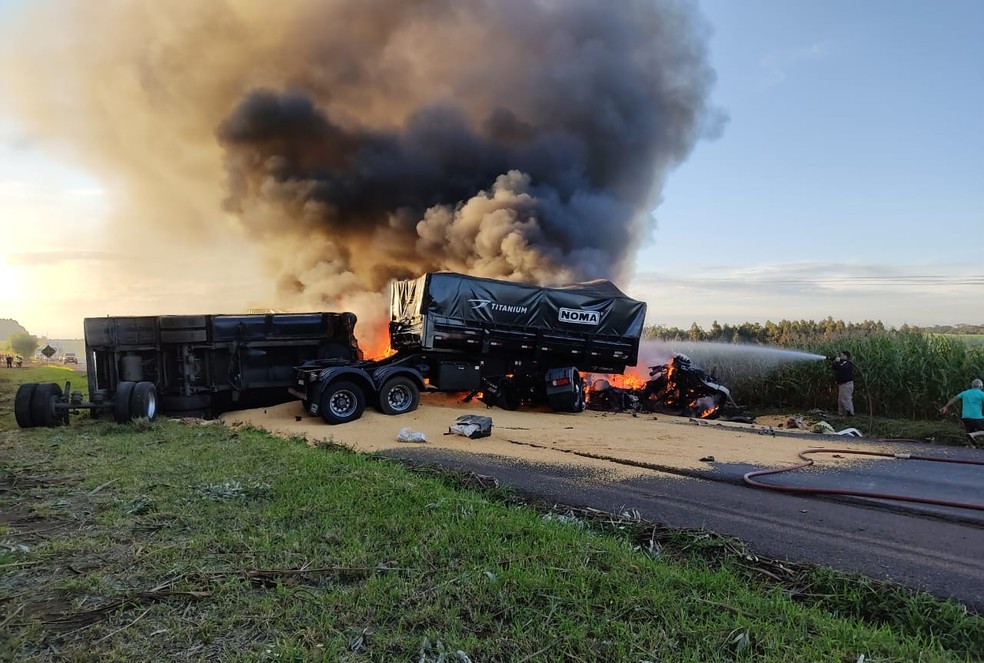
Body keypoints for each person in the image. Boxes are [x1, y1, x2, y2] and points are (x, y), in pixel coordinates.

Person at [830, 350, 855, 416]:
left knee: (846, 399)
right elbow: (835, 368)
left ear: (846, 356)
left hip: (847, 384)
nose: (840, 356)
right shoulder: (842, 363)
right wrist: (835, 362)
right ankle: (842, 414)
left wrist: (838, 362)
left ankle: (850, 413)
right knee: (841, 400)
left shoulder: (848, 364)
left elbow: (842, 369)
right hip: (842, 385)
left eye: (841, 355)